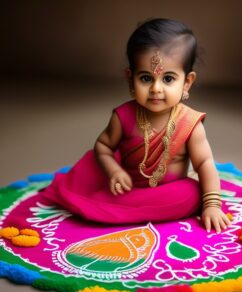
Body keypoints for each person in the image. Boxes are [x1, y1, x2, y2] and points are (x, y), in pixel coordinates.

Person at [42, 18, 231, 233]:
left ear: (187, 82)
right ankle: (101, 203)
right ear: (130, 80)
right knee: (90, 167)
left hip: (167, 191)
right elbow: (103, 147)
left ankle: (107, 209)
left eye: (168, 79)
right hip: (126, 187)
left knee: (191, 193)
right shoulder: (123, 116)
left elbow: (205, 163)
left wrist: (212, 205)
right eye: (146, 78)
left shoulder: (191, 124)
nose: (156, 88)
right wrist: (113, 171)